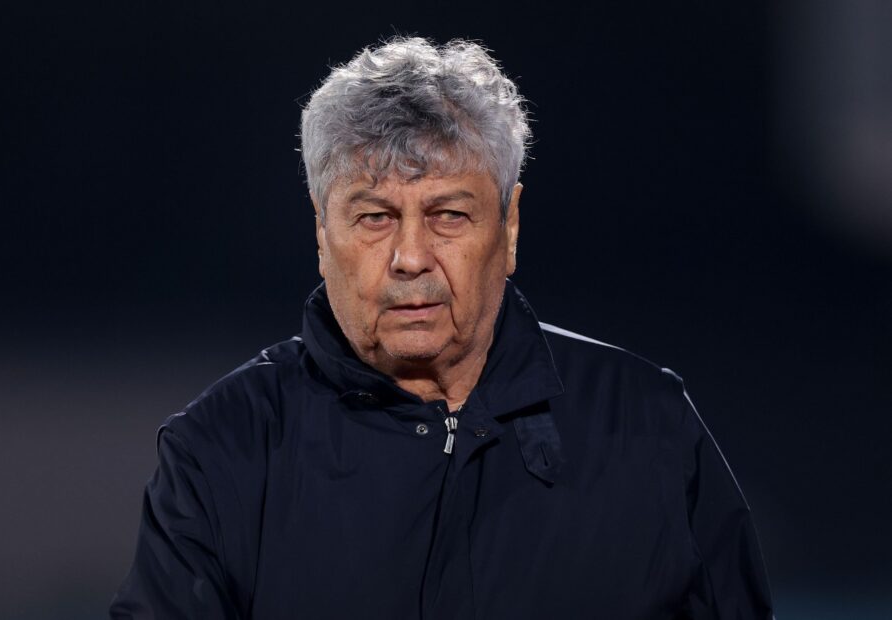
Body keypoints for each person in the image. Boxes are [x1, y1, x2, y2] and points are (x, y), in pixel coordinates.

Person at [110, 36, 775, 619]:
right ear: (321, 232)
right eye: (374, 217)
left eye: (448, 216)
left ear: (509, 227)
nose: (410, 257)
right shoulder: (222, 450)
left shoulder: (646, 428)